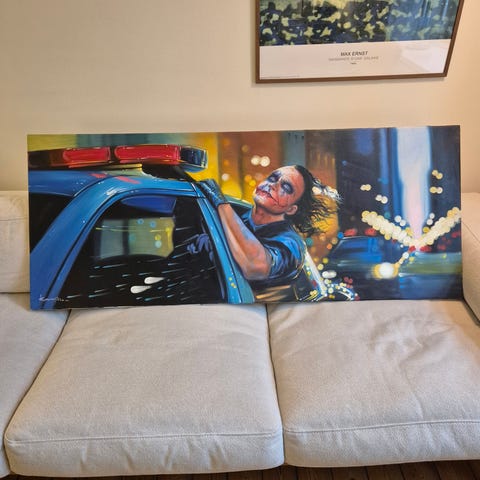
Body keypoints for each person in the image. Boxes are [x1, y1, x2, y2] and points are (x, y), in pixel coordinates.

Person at [199, 165, 340, 301]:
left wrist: (220, 202)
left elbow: (256, 266)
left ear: (291, 209)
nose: (273, 185)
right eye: (272, 178)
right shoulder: (232, 218)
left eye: (286, 187)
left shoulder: (292, 244)